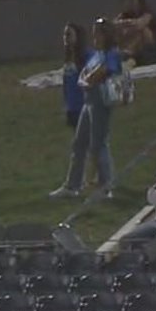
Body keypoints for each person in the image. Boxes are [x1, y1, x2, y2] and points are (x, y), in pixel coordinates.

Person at [49, 18, 121, 199]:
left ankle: (106, 187)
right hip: (88, 101)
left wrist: (89, 78)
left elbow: (99, 74)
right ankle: (72, 185)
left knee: (98, 144)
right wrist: (87, 78)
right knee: (79, 144)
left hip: (100, 102)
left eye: (98, 33)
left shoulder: (111, 53)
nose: (94, 36)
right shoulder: (97, 54)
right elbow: (85, 75)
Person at [114, 0, 156, 65]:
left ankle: (130, 52)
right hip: (132, 49)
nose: (129, 2)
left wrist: (126, 24)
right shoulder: (124, 15)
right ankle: (125, 53)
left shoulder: (148, 13)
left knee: (142, 30)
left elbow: (139, 25)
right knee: (121, 31)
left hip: (151, 47)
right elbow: (114, 25)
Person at [60, 23, 89, 129]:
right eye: (64, 35)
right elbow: (66, 83)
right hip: (72, 109)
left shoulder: (88, 56)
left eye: (68, 35)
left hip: (85, 107)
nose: (65, 38)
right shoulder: (68, 59)